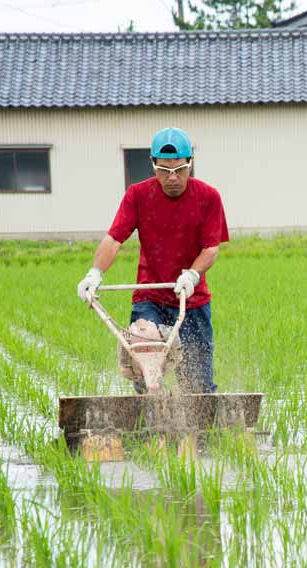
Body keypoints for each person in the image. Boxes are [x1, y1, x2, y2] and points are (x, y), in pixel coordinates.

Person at [77, 127, 229, 394]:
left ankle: (202, 431)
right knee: (144, 369)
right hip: (150, 297)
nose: (172, 178)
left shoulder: (208, 197)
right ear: (153, 165)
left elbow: (211, 248)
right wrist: (94, 274)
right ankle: (152, 420)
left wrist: (192, 275)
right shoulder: (138, 195)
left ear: (190, 165)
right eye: (164, 170)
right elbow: (114, 239)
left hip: (191, 299)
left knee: (198, 385)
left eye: (180, 170)